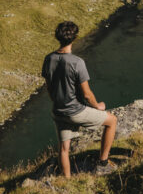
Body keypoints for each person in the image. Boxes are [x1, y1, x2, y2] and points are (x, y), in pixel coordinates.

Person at [41, 20, 117, 177]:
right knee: (112, 121)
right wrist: (98, 106)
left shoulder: (48, 59)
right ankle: (102, 162)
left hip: (58, 111)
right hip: (75, 111)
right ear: (74, 37)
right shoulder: (77, 62)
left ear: (58, 37)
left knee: (63, 149)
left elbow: (49, 88)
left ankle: (67, 181)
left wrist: (58, 102)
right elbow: (87, 94)